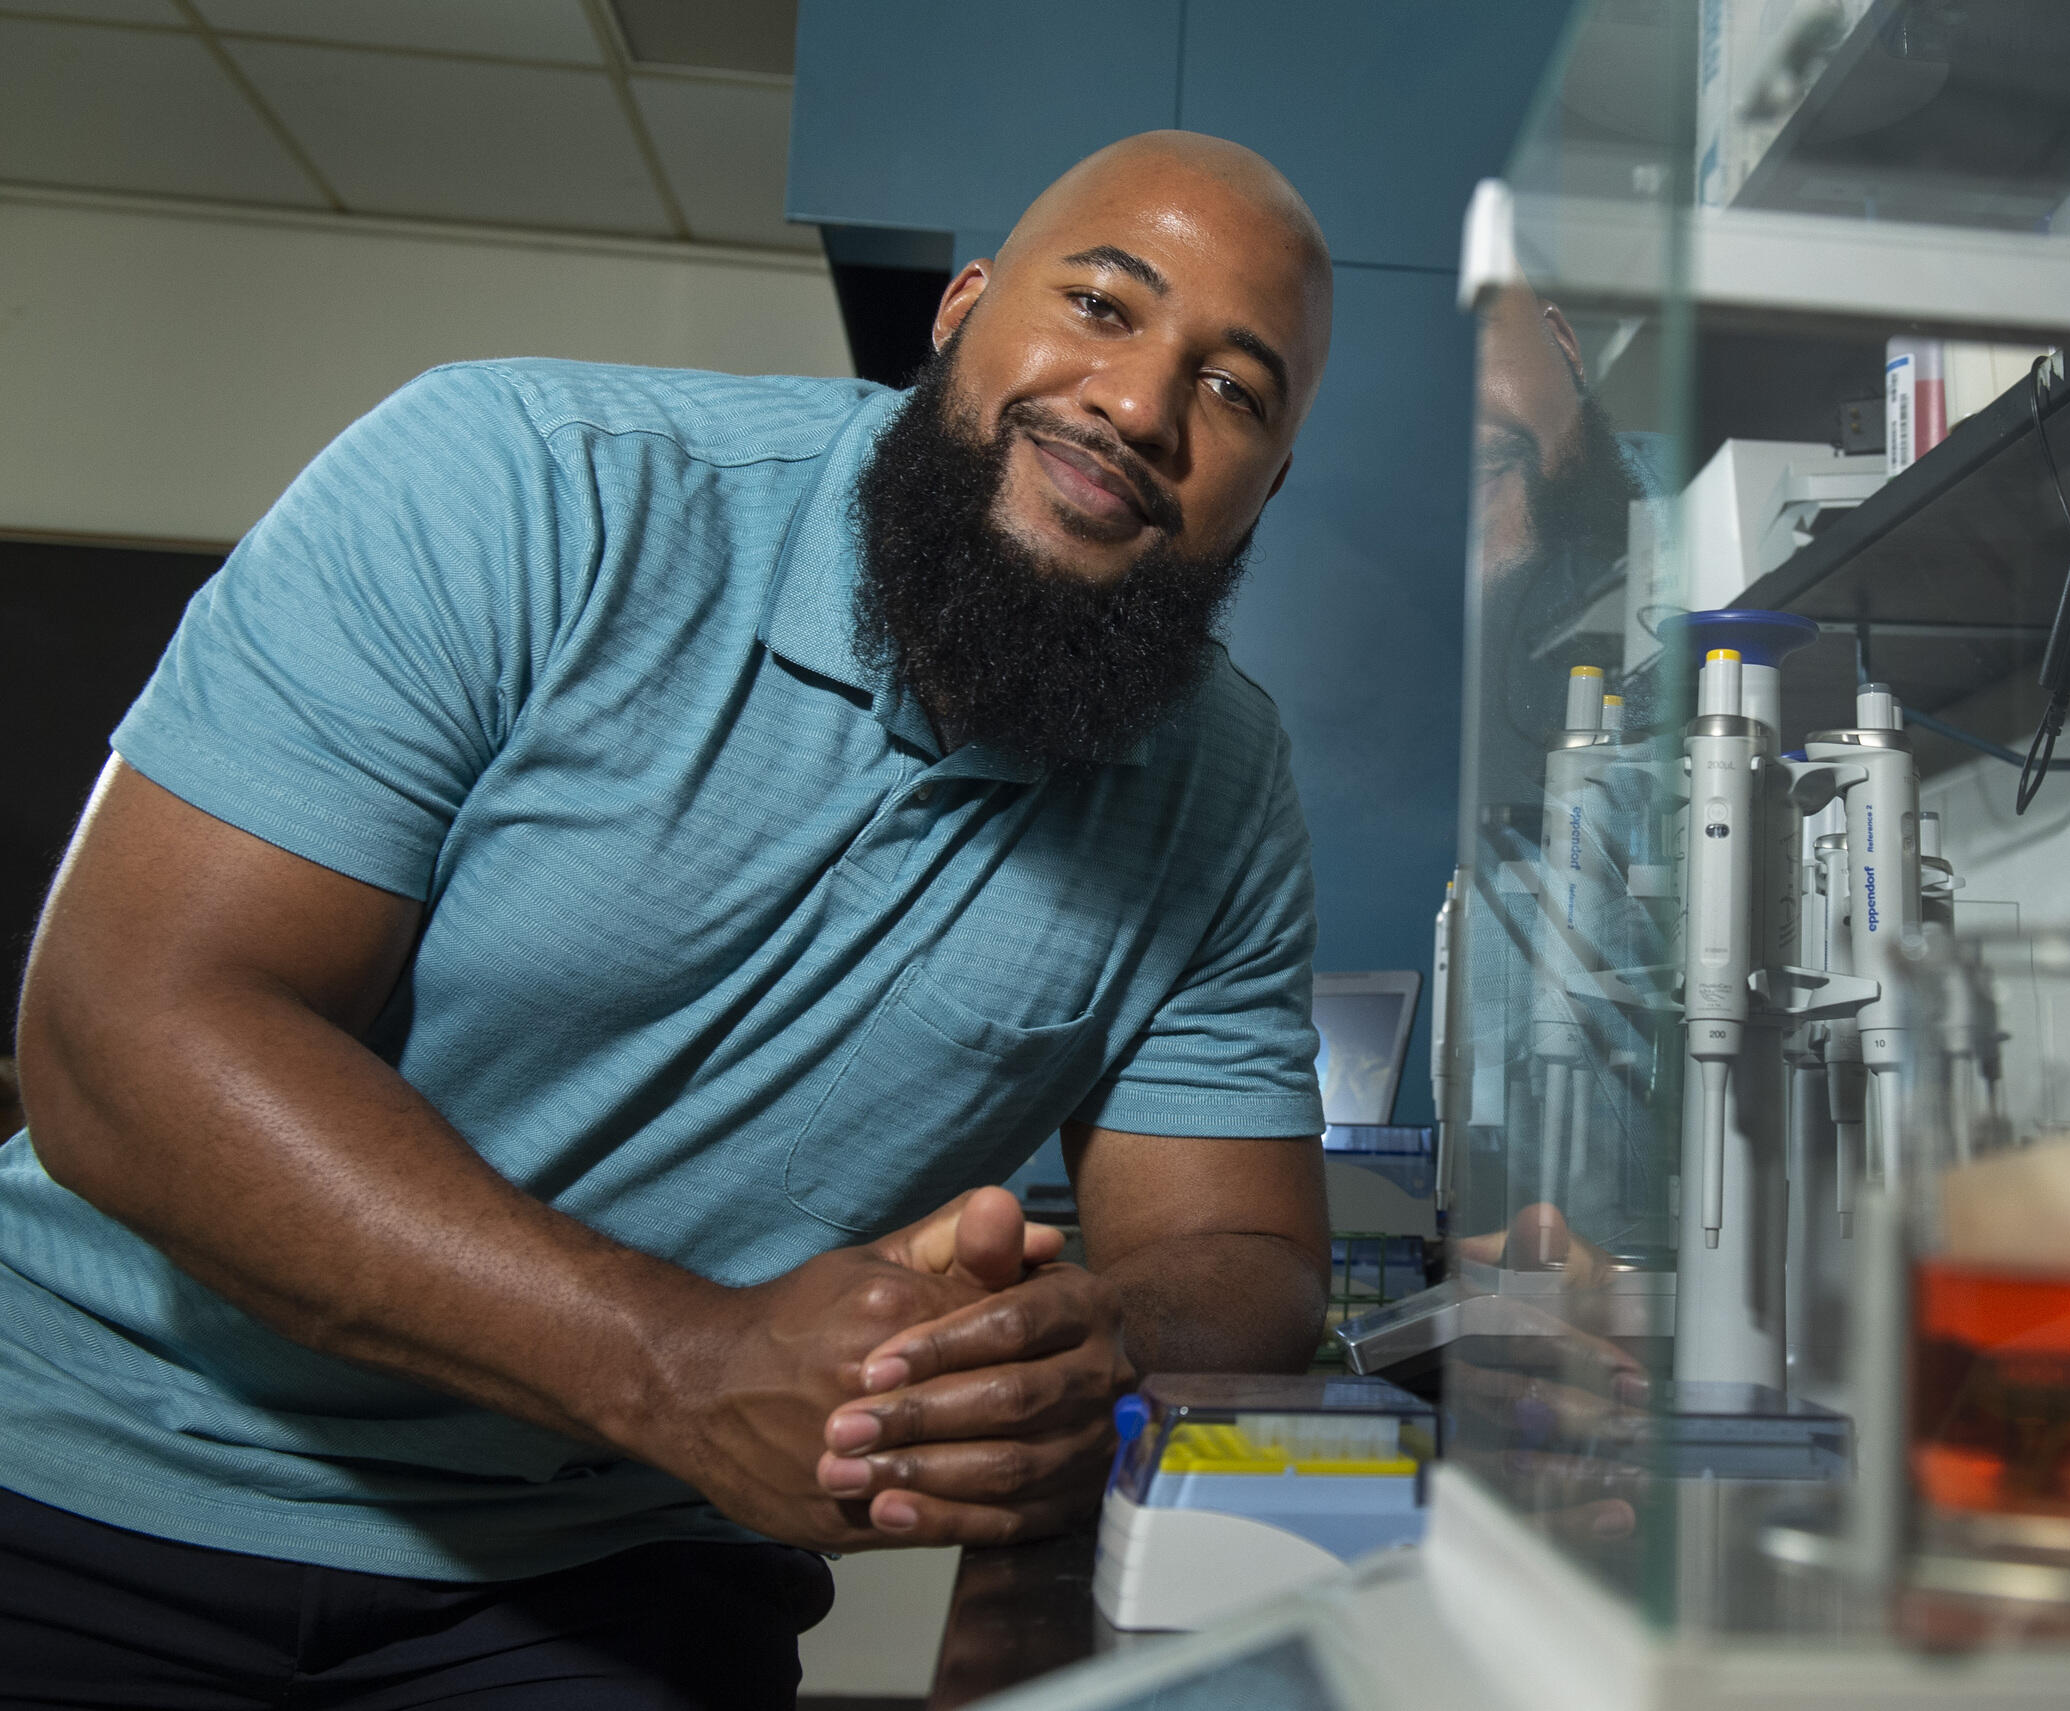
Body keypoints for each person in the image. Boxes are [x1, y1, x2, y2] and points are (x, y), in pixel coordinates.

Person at [2, 131, 1337, 1706]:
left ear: (1265, 490)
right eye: (1103, 307)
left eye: (1235, 391)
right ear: (963, 308)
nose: (1139, 407)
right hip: (79, 1473)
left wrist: (1076, 1347)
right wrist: (684, 1368)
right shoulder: (520, 479)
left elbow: (1243, 1254)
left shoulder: (1223, 788)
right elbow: (118, 1034)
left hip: (609, 1570)